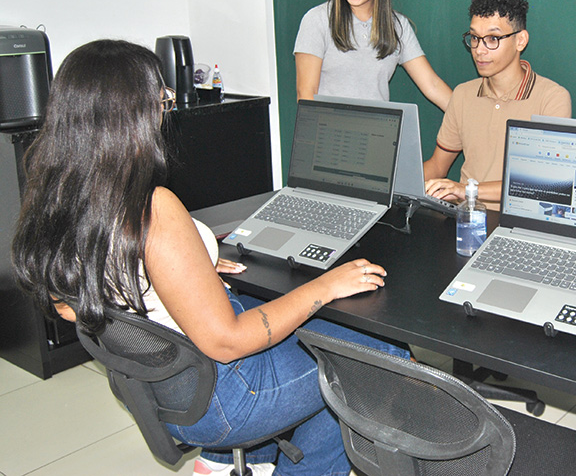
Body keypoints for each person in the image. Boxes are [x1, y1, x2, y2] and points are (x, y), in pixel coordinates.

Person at [12, 40, 408, 476]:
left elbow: (72, 303)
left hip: (169, 388)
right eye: (160, 99)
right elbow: (227, 342)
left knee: (304, 329)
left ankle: (235, 461)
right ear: (131, 116)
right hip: (224, 396)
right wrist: (325, 285)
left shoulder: (58, 197)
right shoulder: (152, 209)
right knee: (378, 350)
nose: (164, 109)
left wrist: (180, 271)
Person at [423, 0, 572, 210]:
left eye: (492, 39)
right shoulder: (463, 94)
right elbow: (437, 166)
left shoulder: (552, 98)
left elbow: (544, 183)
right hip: (466, 217)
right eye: (475, 38)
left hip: (519, 221)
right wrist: (393, 182)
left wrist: (466, 190)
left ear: (520, 40)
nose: (479, 50)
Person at [294, 0, 451, 109]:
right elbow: (306, 94)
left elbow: (432, 85)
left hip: (379, 127)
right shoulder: (317, 20)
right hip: (328, 127)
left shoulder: (397, 26)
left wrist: (468, 118)